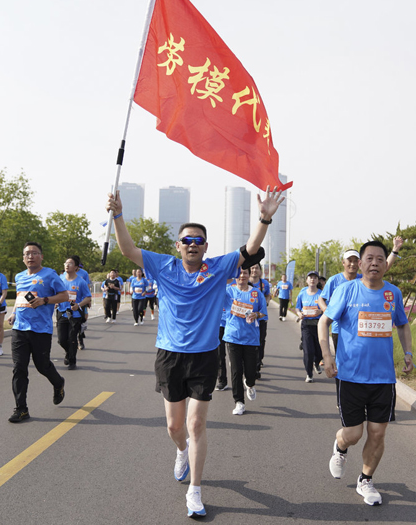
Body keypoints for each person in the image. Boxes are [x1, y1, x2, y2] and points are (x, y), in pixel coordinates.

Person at [106, 185, 284, 519]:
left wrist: (264, 218)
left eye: (198, 240)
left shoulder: (218, 268)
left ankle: (195, 490)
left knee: (196, 423)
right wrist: (118, 214)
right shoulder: (163, 265)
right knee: (175, 428)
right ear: (178, 245)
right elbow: (128, 249)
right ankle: (181, 451)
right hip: (169, 355)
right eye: (186, 240)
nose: (192, 244)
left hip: (204, 356)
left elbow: (250, 249)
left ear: (205, 246)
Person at [318, 240, 414, 506]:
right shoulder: (347, 290)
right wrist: (327, 355)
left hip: (383, 378)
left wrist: (408, 353)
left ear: (386, 264)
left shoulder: (393, 293)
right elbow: (324, 321)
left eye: (380, 259)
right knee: (353, 434)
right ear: (360, 264)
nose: (375, 263)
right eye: (369, 259)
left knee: (377, 433)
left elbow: (403, 324)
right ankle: (340, 447)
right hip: (351, 376)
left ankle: (366, 480)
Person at [6, 242, 70, 423]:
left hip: (41, 329)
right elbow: (20, 296)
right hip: (20, 328)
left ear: (41, 256)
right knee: (19, 368)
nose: (30, 256)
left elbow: (64, 296)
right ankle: (21, 409)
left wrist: (45, 300)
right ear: (23, 258)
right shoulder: (19, 276)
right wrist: (13, 313)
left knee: (42, 366)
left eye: (34, 253)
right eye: (27, 253)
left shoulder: (50, 275)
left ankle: (58, 382)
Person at [318, 237, 403, 351]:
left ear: (359, 263)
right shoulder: (334, 280)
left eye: (355, 261)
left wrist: (395, 251)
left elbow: (383, 268)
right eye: (349, 260)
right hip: (339, 329)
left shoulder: (362, 278)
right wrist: (330, 312)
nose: (352, 264)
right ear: (343, 262)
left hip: (359, 330)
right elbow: (321, 299)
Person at [224, 268, 266, 415]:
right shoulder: (228, 291)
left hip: (251, 338)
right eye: (239, 273)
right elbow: (215, 291)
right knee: (236, 371)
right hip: (232, 336)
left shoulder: (256, 293)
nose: (242, 276)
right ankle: (239, 402)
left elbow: (263, 313)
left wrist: (256, 314)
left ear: (249, 275)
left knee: (251, 371)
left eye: (245, 273)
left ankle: (250, 384)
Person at [57, 256, 92, 370]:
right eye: (66, 263)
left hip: (75, 314)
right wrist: (56, 301)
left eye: (70, 263)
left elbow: (88, 297)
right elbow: (55, 293)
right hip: (62, 312)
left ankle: (72, 361)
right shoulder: (60, 279)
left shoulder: (81, 282)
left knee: (72, 338)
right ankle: (68, 352)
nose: (67, 265)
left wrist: (79, 305)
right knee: (61, 340)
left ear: (76, 267)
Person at [296, 271, 323, 382]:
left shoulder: (322, 294)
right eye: (310, 277)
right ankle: (309, 374)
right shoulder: (302, 294)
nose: (312, 279)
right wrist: (299, 314)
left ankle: (317, 362)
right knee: (308, 351)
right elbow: (298, 308)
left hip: (319, 325)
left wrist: (320, 311)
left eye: (315, 278)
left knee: (319, 351)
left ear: (318, 281)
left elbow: (328, 308)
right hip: (306, 325)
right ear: (307, 280)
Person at [248, 262, 271, 375]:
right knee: (249, 342)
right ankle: (250, 363)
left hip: (261, 318)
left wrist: (266, 302)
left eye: (256, 268)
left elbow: (268, 295)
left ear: (260, 271)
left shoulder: (264, 283)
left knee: (260, 341)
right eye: (252, 268)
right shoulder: (245, 282)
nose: (254, 270)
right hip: (248, 319)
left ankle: (258, 362)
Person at [73, 256, 91, 350]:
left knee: (80, 321)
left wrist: (88, 300)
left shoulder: (84, 273)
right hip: (69, 303)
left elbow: (87, 286)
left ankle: (80, 340)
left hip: (81, 301)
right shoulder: (65, 274)